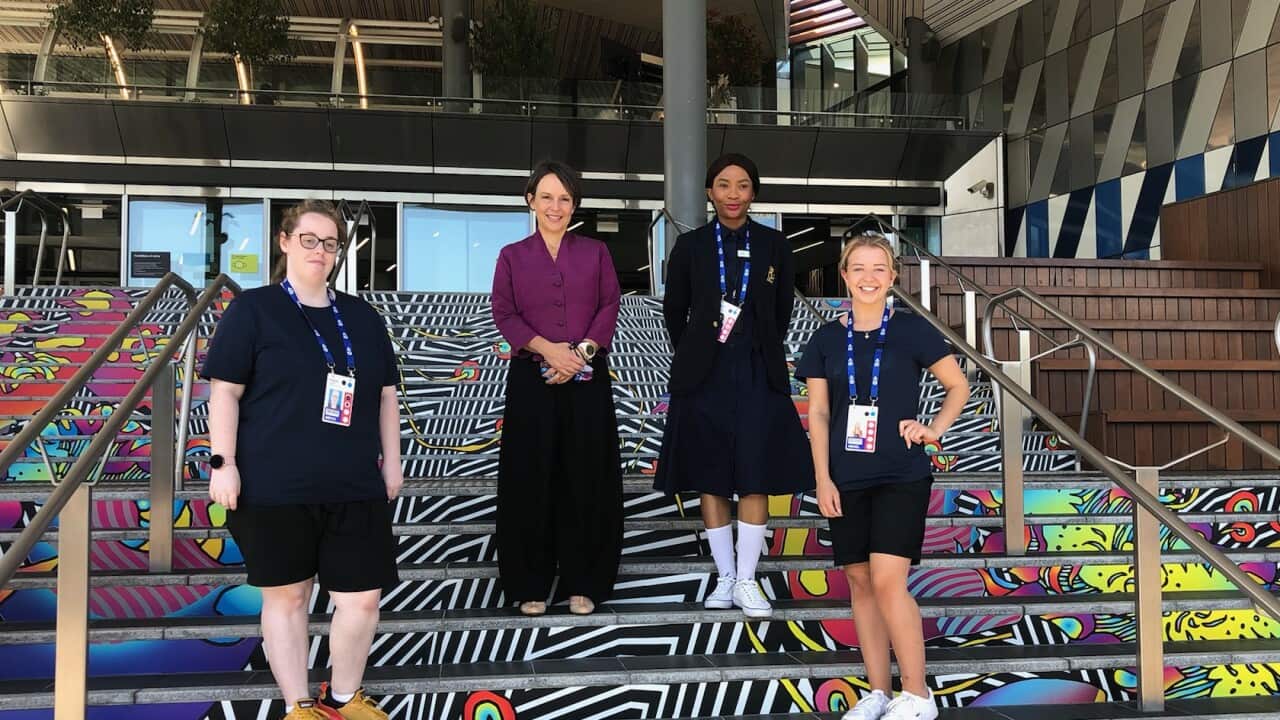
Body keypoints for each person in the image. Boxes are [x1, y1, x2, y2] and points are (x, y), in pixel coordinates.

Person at [204, 199, 402, 720]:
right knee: (287, 601)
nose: (320, 250)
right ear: (286, 242)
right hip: (273, 488)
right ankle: (299, 707)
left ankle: (343, 698)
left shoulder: (362, 316)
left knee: (361, 601)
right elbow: (223, 391)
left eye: (330, 242)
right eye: (309, 239)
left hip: (353, 484)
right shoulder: (254, 309)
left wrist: (393, 462)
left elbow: (386, 395)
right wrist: (222, 463)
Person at [794, 232, 969, 720]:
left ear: (892, 278)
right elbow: (821, 414)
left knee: (889, 579)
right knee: (860, 581)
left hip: (900, 472)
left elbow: (957, 385)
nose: (868, 278)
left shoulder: (911, 330)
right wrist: (823, 479)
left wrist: (933, 428)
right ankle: (878, 692)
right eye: (859, 269)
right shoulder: (827, 338)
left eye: (879, 269)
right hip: (846, 476)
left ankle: (917, 695)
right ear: (844, 276)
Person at [654, 153, 815, 619]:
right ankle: (725, 576)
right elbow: (673, 311)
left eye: (742, 186)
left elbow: (781, 308)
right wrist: (696, 350)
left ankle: (748, 578)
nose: (732, 194)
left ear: (754, 193)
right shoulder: (691, 246)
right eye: (723, 185)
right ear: (709, 192)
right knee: (710, 475)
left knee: (754, 474)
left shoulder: (775, 246)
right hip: (704, 374)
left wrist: (758, 343)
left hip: (757, 370)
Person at [491, 160, 623, 617]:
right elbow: (504, 313)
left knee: (585, 477)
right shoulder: (512, 255)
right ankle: (529, 582)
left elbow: (610, 302)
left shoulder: (595, 252)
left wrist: (581, 353)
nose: (555, 206)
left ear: (574, 206)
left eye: (564, 198)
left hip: (586, 375)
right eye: (546, 196)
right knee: (532, 477)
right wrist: (551, 351)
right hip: (533, 376)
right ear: (530, 201)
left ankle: (583, 581)